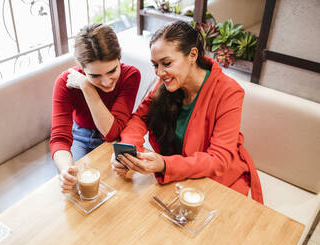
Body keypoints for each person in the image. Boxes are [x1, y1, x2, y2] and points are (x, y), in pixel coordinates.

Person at [111, 21, 263, 203]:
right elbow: (139, 119)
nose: (159, 73)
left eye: (166, 63)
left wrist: (165, 165)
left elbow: (219, 160)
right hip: (179, 177)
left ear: (192, 55)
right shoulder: (167, 82)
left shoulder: (229, 92)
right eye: (155, 65)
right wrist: (128, 151)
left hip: (217, 179)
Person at [50, 23, 141, 194]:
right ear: (81, 67)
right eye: (94, 75)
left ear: (119, 58)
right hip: (80, 136)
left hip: (117, 138)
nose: (106, 82)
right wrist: (65, 170)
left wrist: (87, 86)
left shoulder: (131, 75)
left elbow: (111, 133)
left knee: (121, 192)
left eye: (112, 70)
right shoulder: (65, 82)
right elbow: (59, 138)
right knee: (78, 188)